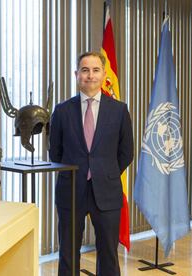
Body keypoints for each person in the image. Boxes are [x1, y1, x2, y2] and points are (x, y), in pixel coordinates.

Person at [49, 51, 134, 276]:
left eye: (96, 70)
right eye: (85, 70)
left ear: (104, 74)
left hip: (107, 191)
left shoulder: (119, 110)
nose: (90, 75)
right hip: (71, 191)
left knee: (108, 253)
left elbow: (126, 152)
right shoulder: (62, 111)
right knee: (68, 253)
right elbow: (55, 153)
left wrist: (105, 173)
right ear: (77, 75)